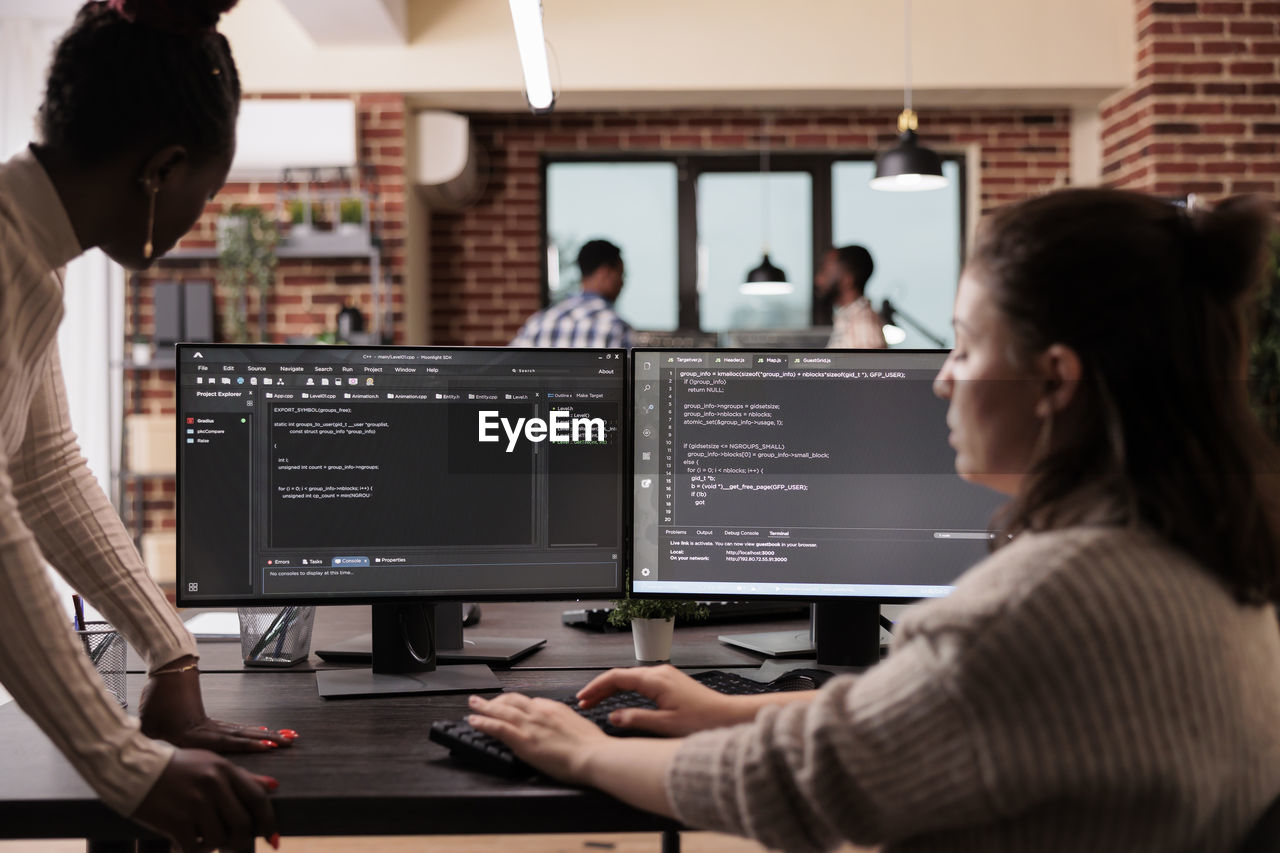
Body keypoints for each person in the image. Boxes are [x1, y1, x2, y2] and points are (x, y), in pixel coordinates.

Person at [467, 189, 1280, 851]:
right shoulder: (1204, 559)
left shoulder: (1036, 607)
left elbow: (797, 784)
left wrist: (589, 753)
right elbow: (928, 713)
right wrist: (728, 706)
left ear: (1055, 380)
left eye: (963, 347)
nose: (940, 381)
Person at [0, 2, 295, 851]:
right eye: (207, 190)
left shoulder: (28, 258)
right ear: (162, 170)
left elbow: (43, 468)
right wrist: (127, 765)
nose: (202, 214)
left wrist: (171, 656)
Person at [511, 239, 632, 348]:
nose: (622, 283)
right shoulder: (616, 328)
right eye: (621, 275)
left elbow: (507, 367)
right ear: (604, 273)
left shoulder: (538, 323)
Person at [816, 244, 886, 349]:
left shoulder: (863, 325)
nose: (818, 280)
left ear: (847, 279)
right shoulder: (848, 318)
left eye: (825, 272)